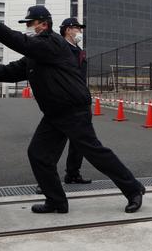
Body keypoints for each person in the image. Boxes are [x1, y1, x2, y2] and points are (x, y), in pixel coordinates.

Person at [0, 5, 146, 213]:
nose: (30, 28)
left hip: (73, 110)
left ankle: (134, 189)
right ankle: (56, 201)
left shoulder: (51, 42)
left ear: (44, 24)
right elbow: (11, 71)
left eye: (31, 24)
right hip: (54, 113)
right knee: (38, 154)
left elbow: (21, 42)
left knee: (95, 153)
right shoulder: (36, 52)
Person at [34, 17, 91, 195]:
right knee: (56, 143)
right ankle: (46, 181)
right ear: (68, 29)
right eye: (77, 28)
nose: (80, 31)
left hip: (80, 101)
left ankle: (73, 174)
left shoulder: (79, 51)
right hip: (63, 103)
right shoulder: (60, 48)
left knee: (79, 142)